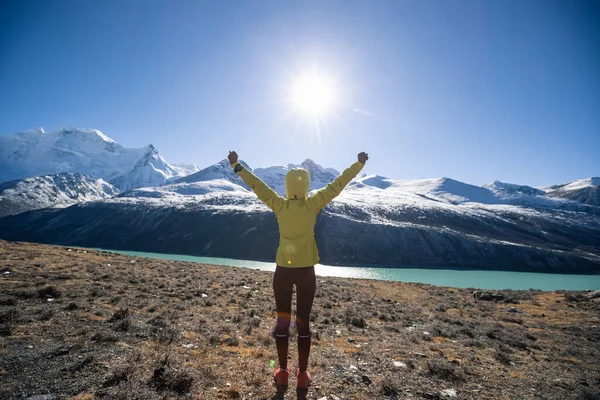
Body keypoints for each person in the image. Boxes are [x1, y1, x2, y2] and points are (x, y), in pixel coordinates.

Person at [227, 150, 368, 399]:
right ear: (306, 186)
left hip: (282, 271)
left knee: (282, 323)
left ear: (287, 185)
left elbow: (256, 185)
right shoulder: (313, 204)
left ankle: (282, 372)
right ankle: (302, 376)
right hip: (306, 273)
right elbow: (338, 185)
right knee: (303, 324)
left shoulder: (278, 205)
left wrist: (237, 165)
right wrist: (358, 165)